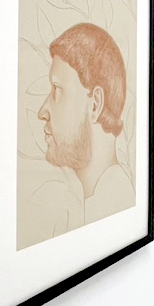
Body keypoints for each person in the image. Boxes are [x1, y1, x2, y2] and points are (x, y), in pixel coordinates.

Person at [36, 22, 135, 222]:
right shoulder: (107, 204)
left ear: (95, 105)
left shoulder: (112, 211)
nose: (42, 112)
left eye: (57, 89)